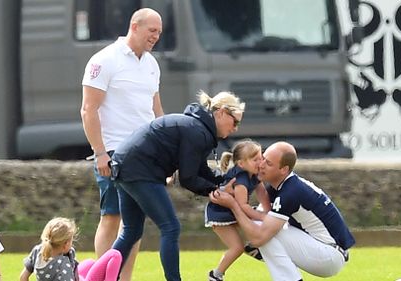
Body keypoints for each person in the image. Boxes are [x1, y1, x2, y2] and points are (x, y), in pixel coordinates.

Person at [109, 90, 244, 281]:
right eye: (235, 122)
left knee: (131, 231)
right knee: (170, 227)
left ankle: (100, 278)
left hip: (124, 164)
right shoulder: (198, 131)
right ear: (221, 112)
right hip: (140, 170)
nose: (235, 128)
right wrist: (217, 191)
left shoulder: (196, 127)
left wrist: (224, 180)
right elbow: (188, 178)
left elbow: (199, 169)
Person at [80, 8, 165, 280]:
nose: (156, 37)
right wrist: (100, 152)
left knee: (135, 221)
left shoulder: (152, 64)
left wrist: (166, 151)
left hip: (146, 153)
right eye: (152, 31)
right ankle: (103, 277)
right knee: (112, 216)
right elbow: (88, 110)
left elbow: (156, 111)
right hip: (115, 151)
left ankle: (124, 278)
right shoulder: (104, 60)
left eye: (159, 33)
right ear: (135, 26)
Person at [210, 141, 355, 281]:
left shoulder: (290, 191)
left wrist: (233, 205)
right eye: (263, 159)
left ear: (283, 170)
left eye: (269, 163)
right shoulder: (280, 186)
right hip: (323, 250)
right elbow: (257, 218)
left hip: (330, 256)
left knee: (261, 233)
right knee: (254, 224)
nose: (261, 165)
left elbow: (258, 237)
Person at [205, 139, 271, 281]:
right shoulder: (240, 179)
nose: (260, 163)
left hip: (232, 209)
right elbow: (243, 207)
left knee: (260, 223)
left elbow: (262, 193)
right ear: (241, 164)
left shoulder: (254, 174)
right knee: (237, 248)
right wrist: (263, 216)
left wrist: (269, 211)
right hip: (219, 214)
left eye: (261, 158)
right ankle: (216, 275)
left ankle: (253, 246)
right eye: (255, 160)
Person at [19, 217, 122, 281]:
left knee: (90, 263)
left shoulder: (38, 251)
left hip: (76, 275)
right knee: (115, 255)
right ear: (65, 244)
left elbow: (23, 277)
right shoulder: (63, 265)